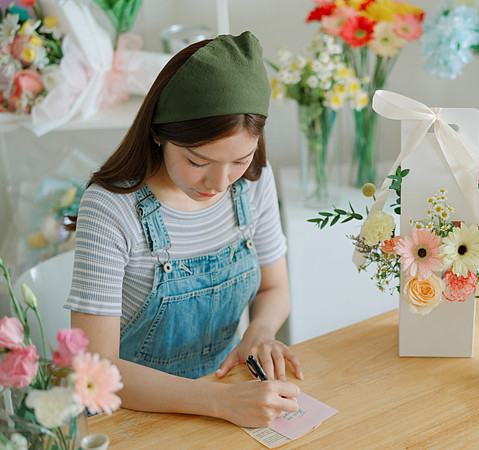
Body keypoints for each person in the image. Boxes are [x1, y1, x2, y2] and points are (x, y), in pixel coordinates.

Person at [64, 31, 303, 427]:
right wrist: (219, 400)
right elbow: (95, 368)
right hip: (134, 414)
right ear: (159, 132)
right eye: (198, 161)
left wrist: (259, 332)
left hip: (226, 394)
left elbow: (274, 288)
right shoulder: (110, 209)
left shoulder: (255, 183)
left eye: (239, 160)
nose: (220, 183)